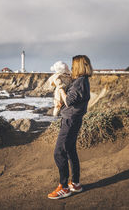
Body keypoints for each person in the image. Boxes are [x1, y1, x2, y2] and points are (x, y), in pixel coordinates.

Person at [48, 55, 93, 199]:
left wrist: (60, 86)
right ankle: (75, 183)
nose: (72, 68)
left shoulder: (80, 82)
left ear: (79, 66)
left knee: (59, 152)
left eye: (74, 66)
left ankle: (64, 187)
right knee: (70, 151)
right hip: (74, 119)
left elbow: (68, 100)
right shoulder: (82, 81)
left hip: (70, 120)